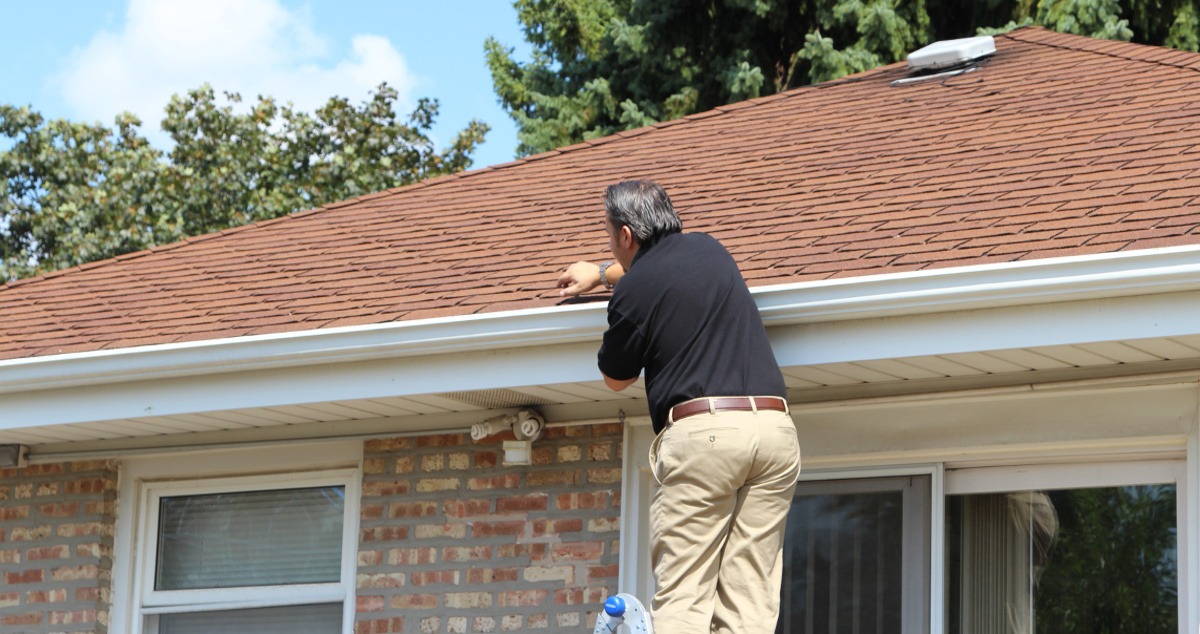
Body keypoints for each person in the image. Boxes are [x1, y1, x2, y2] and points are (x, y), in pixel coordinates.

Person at [557, 180, 802, 634]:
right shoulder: (710, 250)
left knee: (685, 594)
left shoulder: (634, 293)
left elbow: (616, 377)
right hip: (775, 432)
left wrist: (613, 285)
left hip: (706, 435)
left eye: (611, 236)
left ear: (626, 235)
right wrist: (604, 271)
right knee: (750, 598)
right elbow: (653, 269)